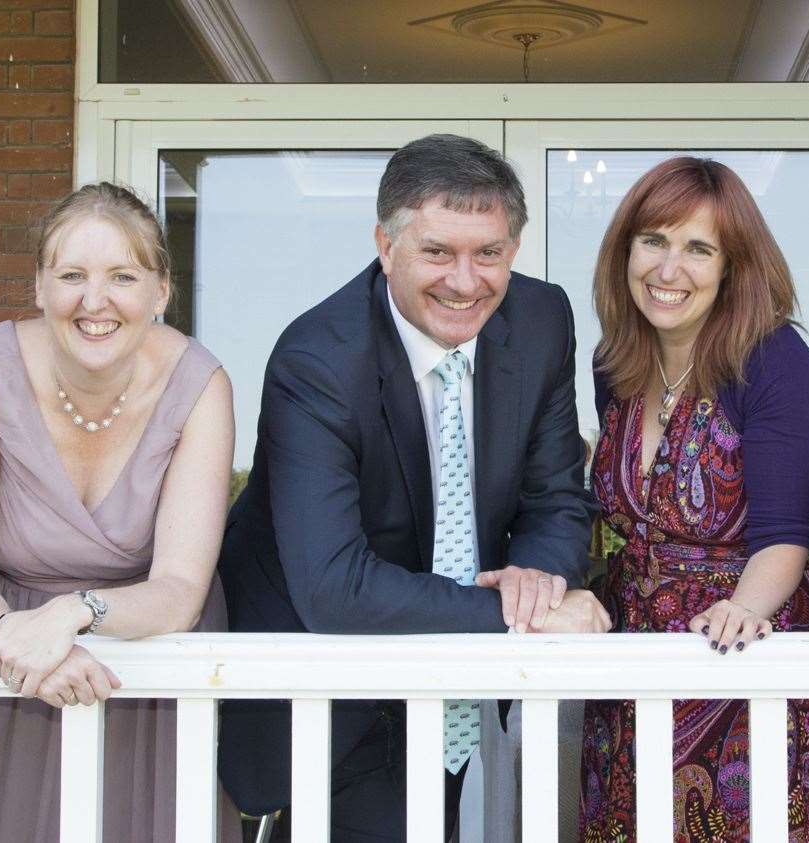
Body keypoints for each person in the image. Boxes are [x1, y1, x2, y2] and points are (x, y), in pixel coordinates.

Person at [217, 133, 610, 841]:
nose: (466, 281)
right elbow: (334, 584)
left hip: (455, 689)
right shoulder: (318, 360)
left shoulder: (542, 320)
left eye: (488, 253)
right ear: (385, 243)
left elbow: (555, 497)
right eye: (438, 252)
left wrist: (540, 583)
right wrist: (512, 614)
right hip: (327, 695)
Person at [0, 183, 241, 842]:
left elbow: (179, 589)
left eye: (122, 276)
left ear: (160, 292)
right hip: (6, 668)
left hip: (145, 669)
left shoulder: (201, 384)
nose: (95, 300)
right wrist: (27, 644)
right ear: (39, 285)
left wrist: (73, 614)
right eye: (72, 275)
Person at [578, 157, 809, 842]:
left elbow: (788, 534)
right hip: (629, 681)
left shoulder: (776, 364)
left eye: (698, 249)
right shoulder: (614, 364)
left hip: (743, 668)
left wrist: (745, 610)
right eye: (654, 241)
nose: (670, 268)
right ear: (625, 250)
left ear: (732, 265)